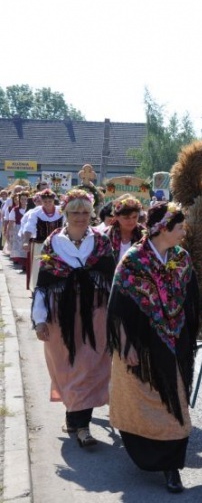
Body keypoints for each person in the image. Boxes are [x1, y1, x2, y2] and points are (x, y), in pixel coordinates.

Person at [107, 201, 202, 494]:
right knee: (141, 404)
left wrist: (190, 336)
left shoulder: (182, 258)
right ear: (162, 229)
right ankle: (152, 456)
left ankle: (172, 466)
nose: (184, 231)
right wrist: (126, 346)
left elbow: (191, 302)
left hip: (175, 345)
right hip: (142, 346)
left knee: (174, 403)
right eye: (179, 227)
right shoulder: (133, 262)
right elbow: (118, 309)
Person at [31, 188, 116, 448]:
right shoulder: (52, 243)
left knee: (90, 368)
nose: (80, 217)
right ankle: (72, 416)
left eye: (85, 212)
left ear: (91, 214)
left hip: (96, 312)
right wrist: (40, 320)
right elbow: (43, 284)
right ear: (65, 213)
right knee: (67, 367)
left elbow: (112, 281)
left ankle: (83, 427)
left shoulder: (101, 242)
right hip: (62, 315)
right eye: (75, 212)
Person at [21, 188, 64, 290]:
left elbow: (67, 225)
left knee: (55, 264)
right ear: (42, 201)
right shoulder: (36, 212)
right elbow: (29, 227)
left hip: (57, 245)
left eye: (50, 201)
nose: (48, 203)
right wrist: (26, 241)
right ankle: (38, 287)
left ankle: (56, 286)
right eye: (45, 201)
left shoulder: (61, 211)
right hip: (40, 245)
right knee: (41, 265)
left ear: (54, 201)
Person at [104, 195, 144, 261]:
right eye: (126, 218)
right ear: (116, 216)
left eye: (135, 217)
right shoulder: (105, 235)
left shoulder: (144, 235)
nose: (131, 221)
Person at [7, 191, 32, 267]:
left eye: (25, 199)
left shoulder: (31, 210)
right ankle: (21, 262)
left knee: (27, 246)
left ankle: (26, 263)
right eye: (22, 199)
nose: (23, 201)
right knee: (19, 246)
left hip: (28, 230)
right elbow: (11, 221)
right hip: (18, 229)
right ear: (19, 200)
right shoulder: (15, 209)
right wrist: (8, 232)